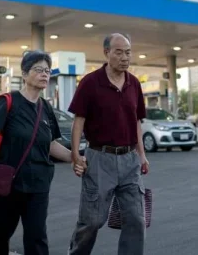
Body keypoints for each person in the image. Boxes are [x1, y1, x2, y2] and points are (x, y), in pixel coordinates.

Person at [0, 50, 82, 255]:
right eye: (38, 69)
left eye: (47, 70)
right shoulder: (7, 102)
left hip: (39, 185)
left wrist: (74, 157)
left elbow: (49, 144)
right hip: (8, 184)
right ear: (24, 74)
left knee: (37, 238)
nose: (44, 74)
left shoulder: (46, 108)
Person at [67, 33, 149, 255]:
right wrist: (76, 154)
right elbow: (78, 121)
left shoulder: (134, 84)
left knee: (136, 219)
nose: (125, 57)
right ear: (106, 53)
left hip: (130, 159)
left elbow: (137, 122)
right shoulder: (90, 83)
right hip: (99, 159)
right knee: (92, 221)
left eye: (128, 52)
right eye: (119, 52)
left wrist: (141, 154)